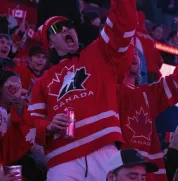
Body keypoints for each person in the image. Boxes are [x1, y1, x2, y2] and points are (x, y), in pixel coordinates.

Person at [28, 0, 138, 180]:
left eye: (68, 25)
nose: (65, 29)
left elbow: (124, 24)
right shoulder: (42, 81)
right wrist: (47, 126)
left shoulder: (99, 53)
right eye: (56, 29)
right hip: (61, 159)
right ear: (50, 43)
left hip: (104, 149)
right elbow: (30, 123)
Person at [118, 18, 178, 181]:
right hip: (119, 171)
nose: (134, 56)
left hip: (149, 173)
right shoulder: (108, 92)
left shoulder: (148, 93)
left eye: (136, 53)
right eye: (127, 53)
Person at [0, 70, 45, 180]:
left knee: (30, 166)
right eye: (11, 84)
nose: (15, 89)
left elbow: (25, 138)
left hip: (6, 164)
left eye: (18, 86)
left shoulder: (10, 112)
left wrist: (20, 110)